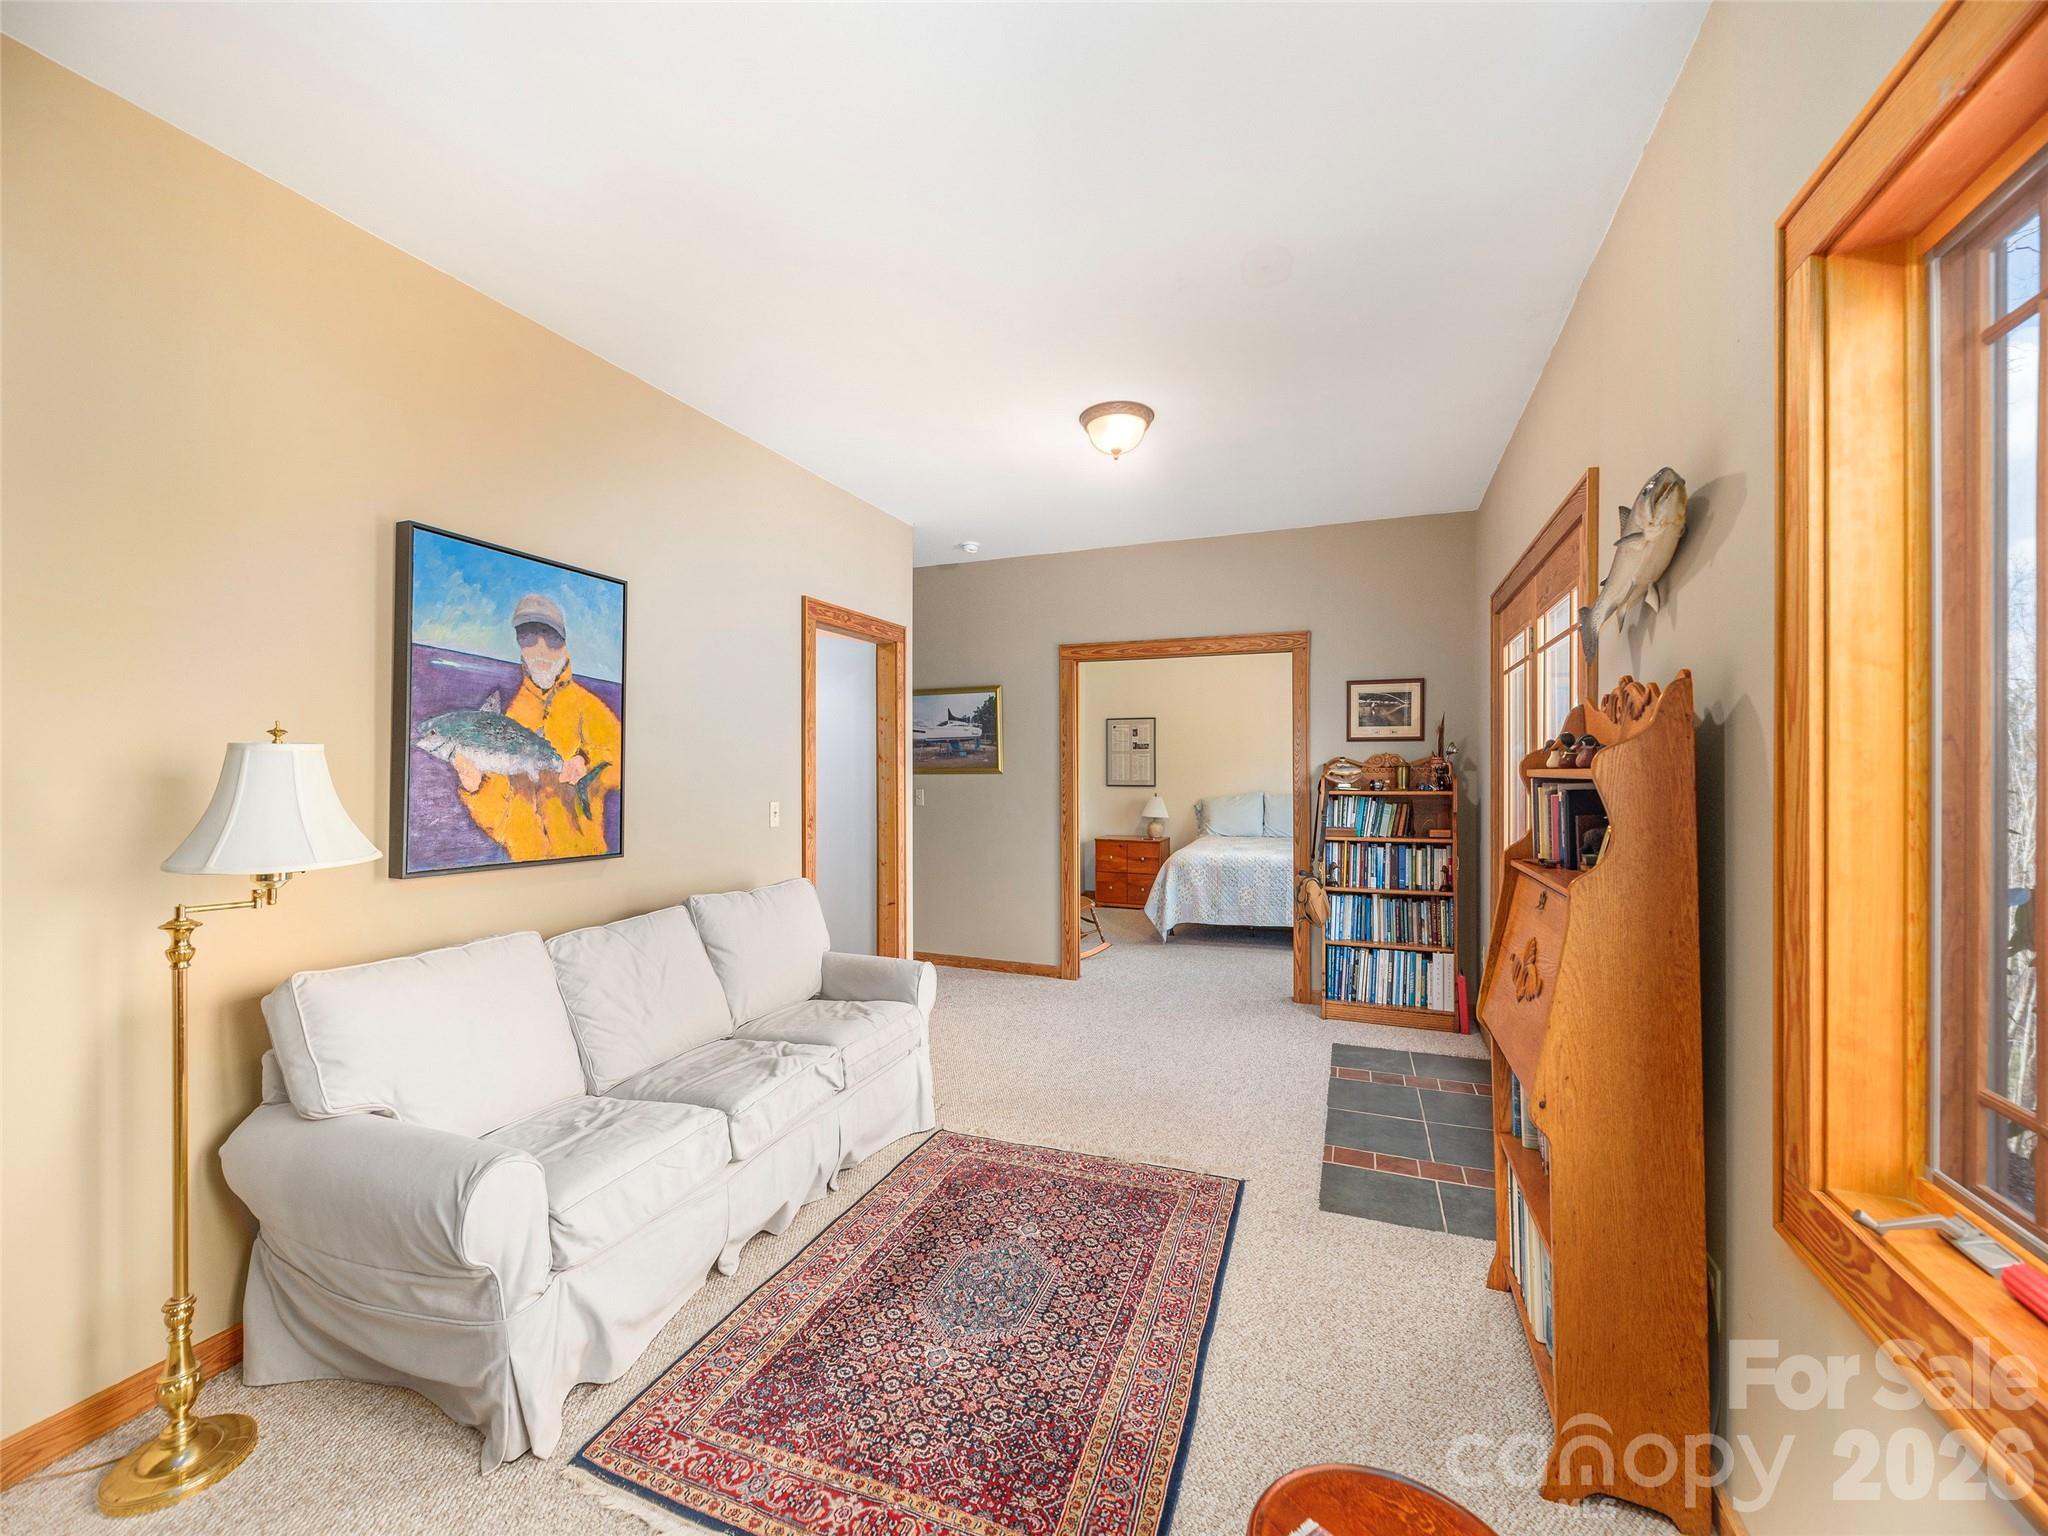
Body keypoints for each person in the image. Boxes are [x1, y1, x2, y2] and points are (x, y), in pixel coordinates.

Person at [453, 592, 621, 860]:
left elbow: (624, 763)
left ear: (565, 644)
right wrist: (477, 788)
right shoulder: (511, 715)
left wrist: (586, 760)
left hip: (583, 864)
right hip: (524, 869)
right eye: (528, 637)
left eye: (551, 638)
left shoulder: (588, 707)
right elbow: (501, 823)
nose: (540, 649)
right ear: (519, 644)